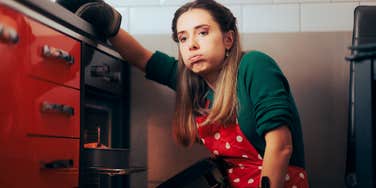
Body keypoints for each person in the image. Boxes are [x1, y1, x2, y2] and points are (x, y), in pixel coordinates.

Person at [76, 0, 309, 187]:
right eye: (183, 38)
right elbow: (143, 59)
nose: (191, 45)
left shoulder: (254, 66)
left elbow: (280, 147)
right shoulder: (193, 82)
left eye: (203, 33)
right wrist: (110, 23)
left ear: (228, 39)